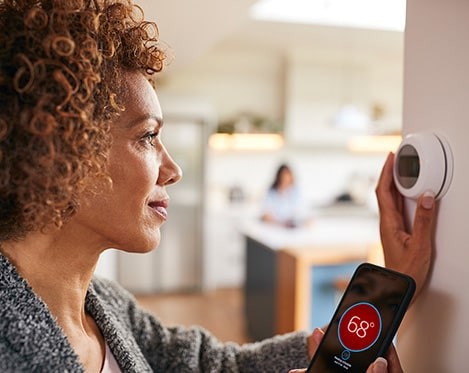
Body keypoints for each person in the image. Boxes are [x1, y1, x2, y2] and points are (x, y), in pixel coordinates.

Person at [0, 1, 436, 372]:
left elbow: (217, 365)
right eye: (148, 136)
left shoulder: (103, 304)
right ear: (56, 150)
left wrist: (382, 303)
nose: (172, 169)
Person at [260, 163, 310, 228]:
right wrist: (279, 223)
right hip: (275, 226)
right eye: (283, 179)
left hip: (291, 225)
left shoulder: (296, 191)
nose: (285, 182)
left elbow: (301, 210)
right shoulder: (271, 192)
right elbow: (266, 213)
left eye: (287, 179)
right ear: (278, 178)